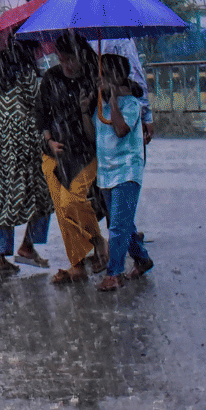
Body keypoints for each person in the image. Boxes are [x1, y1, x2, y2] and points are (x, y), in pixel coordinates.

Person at [36, 33, 108, 284]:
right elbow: (42, 114)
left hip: (85, 152)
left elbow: (98, 125)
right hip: (55, 153)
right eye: (61, 59)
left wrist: (92, 101)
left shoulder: (93, 80)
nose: (65, 64)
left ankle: (97, 240)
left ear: (82, 57)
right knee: (62, 210)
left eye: (70, 59)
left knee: (73, 201)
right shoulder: (52, 77)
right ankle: (77, 264)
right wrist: (48, 140)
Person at [0, 40, 54, 274]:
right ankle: (28, 245)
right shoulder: (26, 71)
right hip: (24, 135)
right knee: (42, 192)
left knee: (1, 194)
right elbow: (36, 101)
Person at [94, 53, 153, 291]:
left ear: (116, 78)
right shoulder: (101, 105)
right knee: (122, 222)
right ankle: (142, 258)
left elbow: (120, 130)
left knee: (117, 225)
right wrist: (87, 109)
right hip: (106, 171)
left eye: (104, 76)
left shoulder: (131, 104)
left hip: (127, 170)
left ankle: (114, 273)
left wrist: (114, 100)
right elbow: (92, 133)